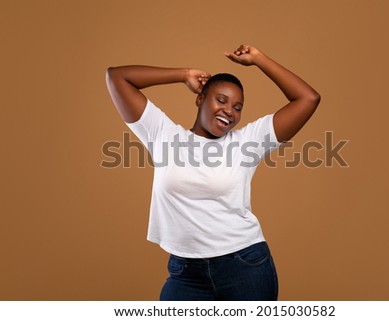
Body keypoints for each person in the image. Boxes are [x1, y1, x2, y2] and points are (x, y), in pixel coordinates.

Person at [106, 44, 320, 300]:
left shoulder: (247, 142)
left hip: (244, 267)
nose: (229, 111)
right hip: (186, 273)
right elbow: (117, 77)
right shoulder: (163, 135)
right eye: (221, 100)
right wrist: (183, 74)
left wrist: (259, 59)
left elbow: (308, 99)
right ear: (200, 98)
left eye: (237, 107)